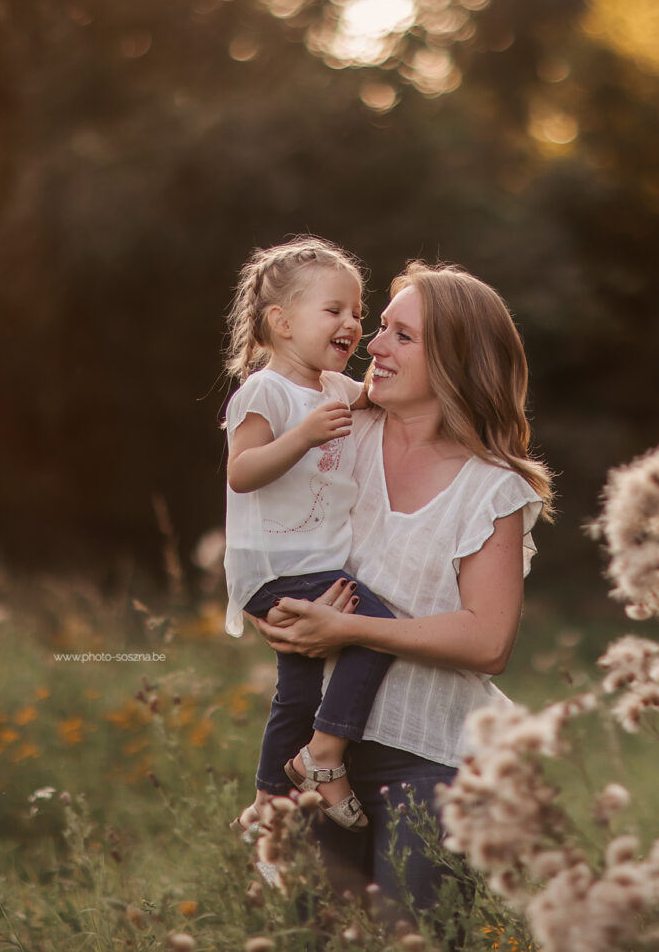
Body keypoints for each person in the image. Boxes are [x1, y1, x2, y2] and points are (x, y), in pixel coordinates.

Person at [251, 260, 554, 929]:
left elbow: (488, 639)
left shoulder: (491, 488)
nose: (374, 345)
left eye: (402, 336)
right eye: (380, 328)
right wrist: (283, 614)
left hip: (432, 762)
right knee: (310, 937)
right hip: (315, 755)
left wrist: (352, 631)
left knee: (410, 937)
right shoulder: (338, 435)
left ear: (455, 359)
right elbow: (271, 533)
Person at [222, 236, 401, 833]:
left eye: (358, 311)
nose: (352, 323)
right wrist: (302, 437)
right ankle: (324, 756)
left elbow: (378, 396)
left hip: (309, 562)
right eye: (334, 311)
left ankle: (269, 803)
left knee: (296, 691)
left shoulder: (331, 388)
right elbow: (241, 472)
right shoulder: (265, 390)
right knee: (376, 629)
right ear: (282, 321)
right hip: (276, 563)